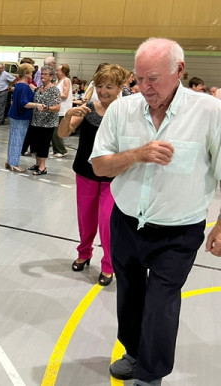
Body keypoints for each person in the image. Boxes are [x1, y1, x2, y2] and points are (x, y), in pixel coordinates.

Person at [91, 38, 221, 385]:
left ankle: (151, 375)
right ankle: (134, 353)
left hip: (178, 232)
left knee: (162, 303)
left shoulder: (208, 112)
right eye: (139, 79)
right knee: (130, 295)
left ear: (179, 71)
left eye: (153, 79)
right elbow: (100, 166)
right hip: (127, 223)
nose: (145, 87)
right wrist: (138, 154)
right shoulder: (122, 110)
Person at [58, 64, 127, 287]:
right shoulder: (88, 109)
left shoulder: (127, 112)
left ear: (120, 87)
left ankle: (109, 264)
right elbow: (62, 134)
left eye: (109, 86)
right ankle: (84, 252)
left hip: (113, 176)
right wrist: (68, 115)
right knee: (86, 218)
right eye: (99, 85)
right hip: (86, 173)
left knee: (108, 222)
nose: (103, 90)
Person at [5, 63, 45, 172]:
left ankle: (10, 161)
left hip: (16, 115)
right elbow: (24, 103)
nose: (32, 74)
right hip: (21, 117)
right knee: (18, 140)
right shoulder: (24, 87)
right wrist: (37, 105)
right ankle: (14, 163)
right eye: (31, 72)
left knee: (13, 139)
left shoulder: (18, 85)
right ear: (26, 73)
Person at [25, 66, 60, 175]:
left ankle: (42, 167)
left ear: (51, 76)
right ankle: (37, 163)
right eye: (42, 74)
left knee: (43, 144)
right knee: (35, 144)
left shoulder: (54, 90)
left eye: (45, 74)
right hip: (36, 121)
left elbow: (57, 107)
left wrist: (47, 108)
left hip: (47, 123)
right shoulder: (38, 88)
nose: (43, 76)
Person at [51, 64, 73, 157]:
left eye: (58, 71)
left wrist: (54, 93)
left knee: (57, 131)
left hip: (63, 109)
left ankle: (62, 150)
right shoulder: (57, 81)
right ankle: (56, 149)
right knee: (52, 130)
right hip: (56, 108)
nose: (56, 72)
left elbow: (65, 95)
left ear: (63, 72)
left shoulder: (66, 81)